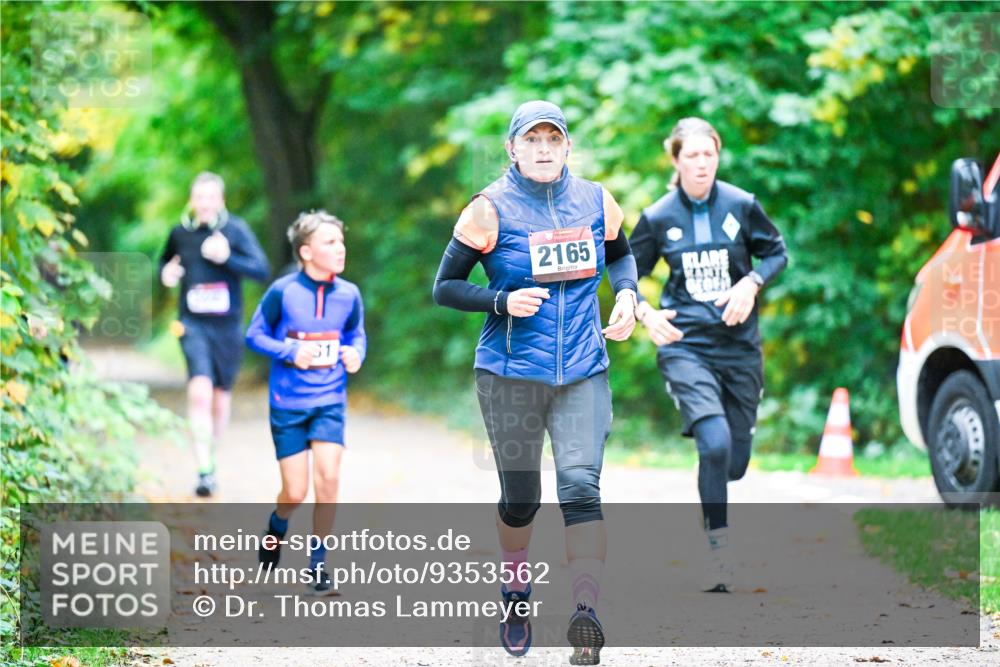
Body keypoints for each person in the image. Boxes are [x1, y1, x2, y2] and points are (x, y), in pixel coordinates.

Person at [433, 100, 638, 665]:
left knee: (581, 488)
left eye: (553, 139)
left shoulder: (597, 200)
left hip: (583, 368)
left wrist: (627, 294)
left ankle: (586, 613)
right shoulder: (488, 209)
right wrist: (501, 300)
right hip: (510, 374)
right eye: (531, 140)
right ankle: (516, 590)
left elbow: (622, 256)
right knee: (522, 500)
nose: (543, 149)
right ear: (512, 148)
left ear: (568, 146)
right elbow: (445, 287)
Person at [628, 118, 788, 592]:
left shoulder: (742, 204)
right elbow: (625, 274)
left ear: (718, 157)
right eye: (692, 156)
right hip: (686, 345)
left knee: (733, 462)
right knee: (713, 445)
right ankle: (719, 552)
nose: (702, 164)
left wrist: (751, 283)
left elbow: (776, 253)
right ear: (675, 160)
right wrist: (644, 313)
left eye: (709, 155)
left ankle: (715, 492)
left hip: (739, 347)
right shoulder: (658, 217)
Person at [245, 210, 366, 596]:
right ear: (306, 252)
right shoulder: (282, 292)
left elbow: (356, 334)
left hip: (330, 399)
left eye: (341, 240)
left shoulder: (349, 294)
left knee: (328, 479)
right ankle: (277, 526)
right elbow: (254, 335)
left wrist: (356, 354)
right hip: (288, 404)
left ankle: (319, 564)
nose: (340, 248)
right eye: (330, 242)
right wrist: (289, 351)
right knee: (295, 492)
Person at [159, 171, 269, 497]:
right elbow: (164, 264)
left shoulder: (236, 230)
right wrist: (167, 273)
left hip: (227, 327)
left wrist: (227, 258)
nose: (205, 204)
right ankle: (204, 468)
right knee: (200, 392)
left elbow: (261, 270)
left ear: (221, 200)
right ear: (192, 201)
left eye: (211, 197)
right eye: (199, 197)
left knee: (220, 398)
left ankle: (211, 457)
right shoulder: (180, 233)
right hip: (192, 324)